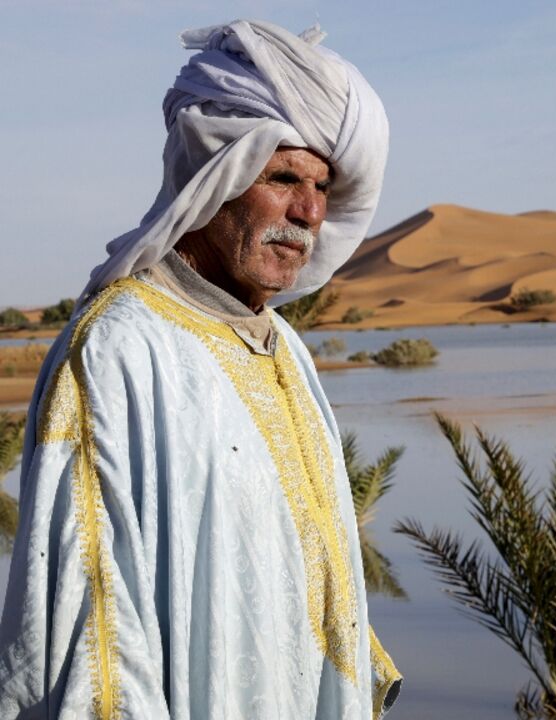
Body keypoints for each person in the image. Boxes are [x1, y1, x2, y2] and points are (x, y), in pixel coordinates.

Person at [0, 20, 399, 719]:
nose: (308, 212)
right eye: (282, 178)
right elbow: (94, 621)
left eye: (321, 187)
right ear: (217, 177)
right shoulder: (121, 348)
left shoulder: (283, 346)